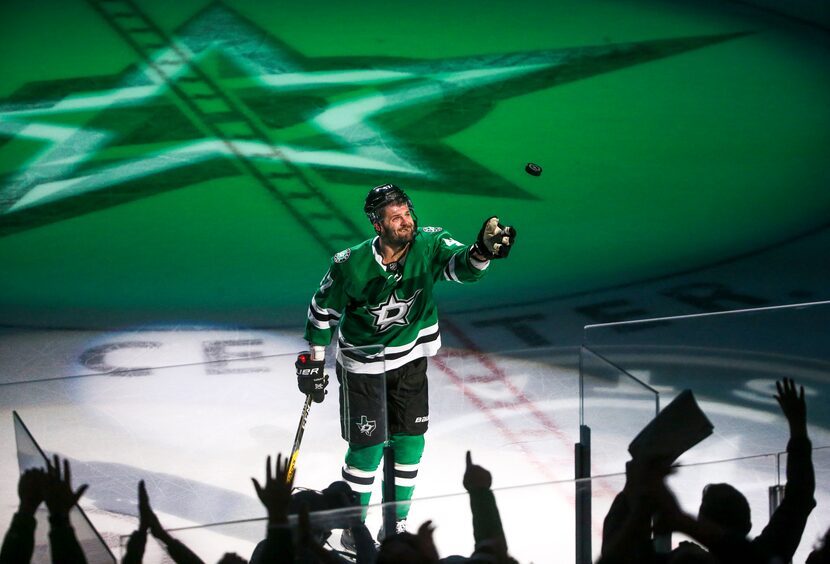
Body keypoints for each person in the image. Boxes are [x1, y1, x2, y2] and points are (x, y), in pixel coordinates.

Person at [296, 183, 516, 547]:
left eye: (407, 212)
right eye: (395, 216)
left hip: (410, 363)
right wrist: (314, 362)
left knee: (410, 444)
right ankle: (355, 528)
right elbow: (321, 314)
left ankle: (394, 523)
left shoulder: (429, 244)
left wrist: (481, 252)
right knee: (366, 450)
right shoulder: (350, 264)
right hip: (363, 369)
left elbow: (461, 268)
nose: (406, 221)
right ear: (377, 225)